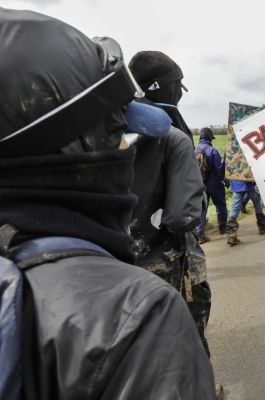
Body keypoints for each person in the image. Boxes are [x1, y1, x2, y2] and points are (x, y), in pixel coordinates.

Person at [0, 8, 216, 399]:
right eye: (116, 131)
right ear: (78, 149)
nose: (125, 150)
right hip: (160, 263)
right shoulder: (140, 316)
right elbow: (185, 216)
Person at [128, 51, 222, 398]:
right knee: (187, 329)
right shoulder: (172, 136)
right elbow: (183, 217)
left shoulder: (107, 128)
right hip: (166, 259)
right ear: (167, 89)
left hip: (115, 259)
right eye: (178, 87)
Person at [195, 127, 227, 243]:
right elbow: (220, 167)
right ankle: (222, 228)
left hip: (200, 184)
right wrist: (224, 179)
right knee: (220, 205)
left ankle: (200, 234)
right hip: (214, 183)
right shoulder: (212, 150)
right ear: (209, 137)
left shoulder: (194, 150)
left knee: (202, 208)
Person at [225, 180, 265, 245]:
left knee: (235, 207)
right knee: (257, 203)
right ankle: (262, 227)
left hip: (237, 182)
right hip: (251, 182)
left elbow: (225, 170)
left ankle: (231, 233)